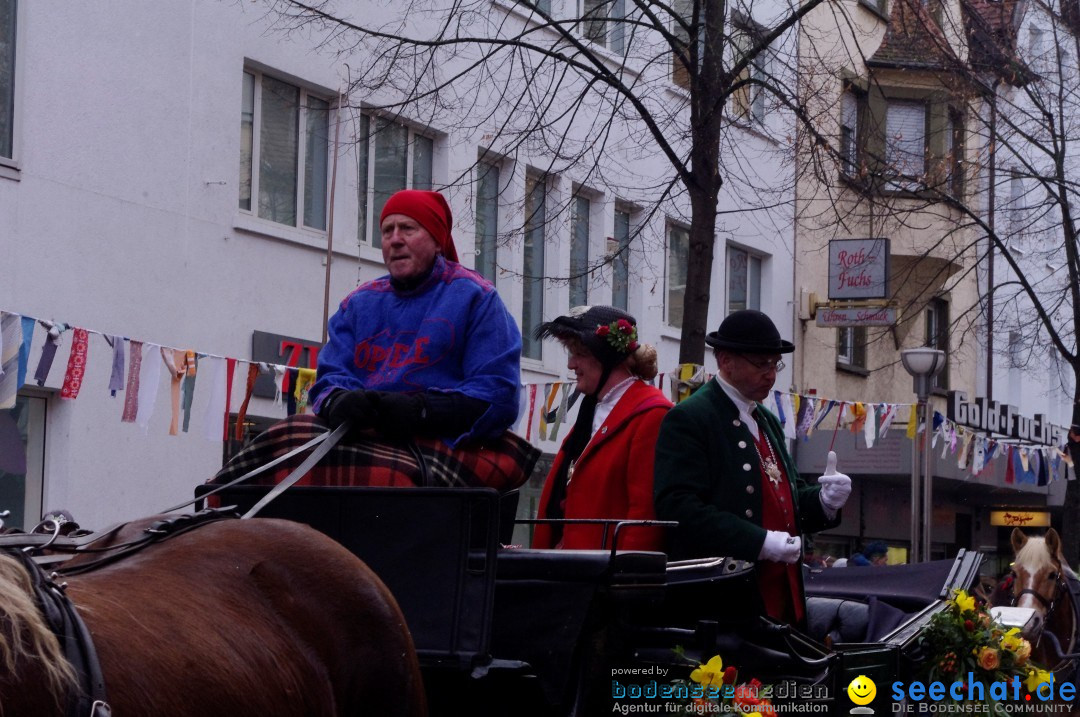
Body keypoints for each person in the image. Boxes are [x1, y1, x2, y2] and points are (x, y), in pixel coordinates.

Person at [653, 309, 852, 625]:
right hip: (724, 604)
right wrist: (759, 541)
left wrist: (824, 501)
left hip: (780, 598)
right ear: (726, 361)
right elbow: (679, 508)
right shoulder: (691, 418)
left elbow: (787, 498)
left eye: (775, 364)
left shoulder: (766, 419)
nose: (771, 375)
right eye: (762, 364)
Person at [310, 189, 521, 445]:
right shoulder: (356, 305)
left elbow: (497, 392)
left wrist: (423, 410)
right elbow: (330, 375)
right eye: (388, 231)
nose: (395, 239)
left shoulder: (478, 299)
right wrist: (339, 400)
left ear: (437, 240)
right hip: (361, 439)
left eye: (407, 228)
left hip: (441, 445)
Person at [531, 306, 672, 551]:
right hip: (573, 573)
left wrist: (625, 579)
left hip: (607, 579)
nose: (571, 364)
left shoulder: (652, 415)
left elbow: (644, 515)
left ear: (604, 356)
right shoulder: (593, 410)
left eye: (578, 353)